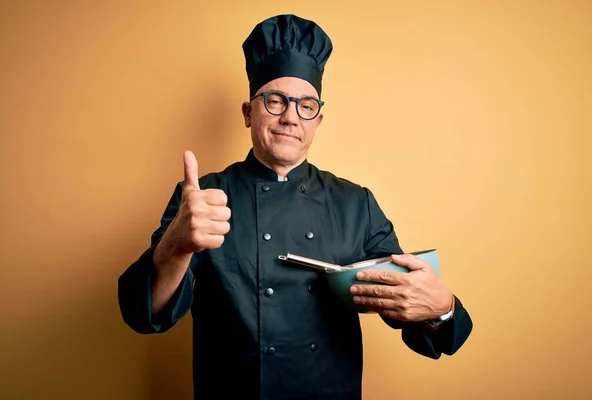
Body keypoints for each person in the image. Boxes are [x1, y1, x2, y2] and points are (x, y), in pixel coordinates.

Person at [118, 14, 473, 400]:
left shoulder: (356, 203)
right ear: (248, 112)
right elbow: (143, 314)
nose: (290, 116)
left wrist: (441, 308)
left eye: (305, 105)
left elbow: (405, 302)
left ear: (318, 120)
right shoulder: (202, 197)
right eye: (275, 101)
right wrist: (176, 245)